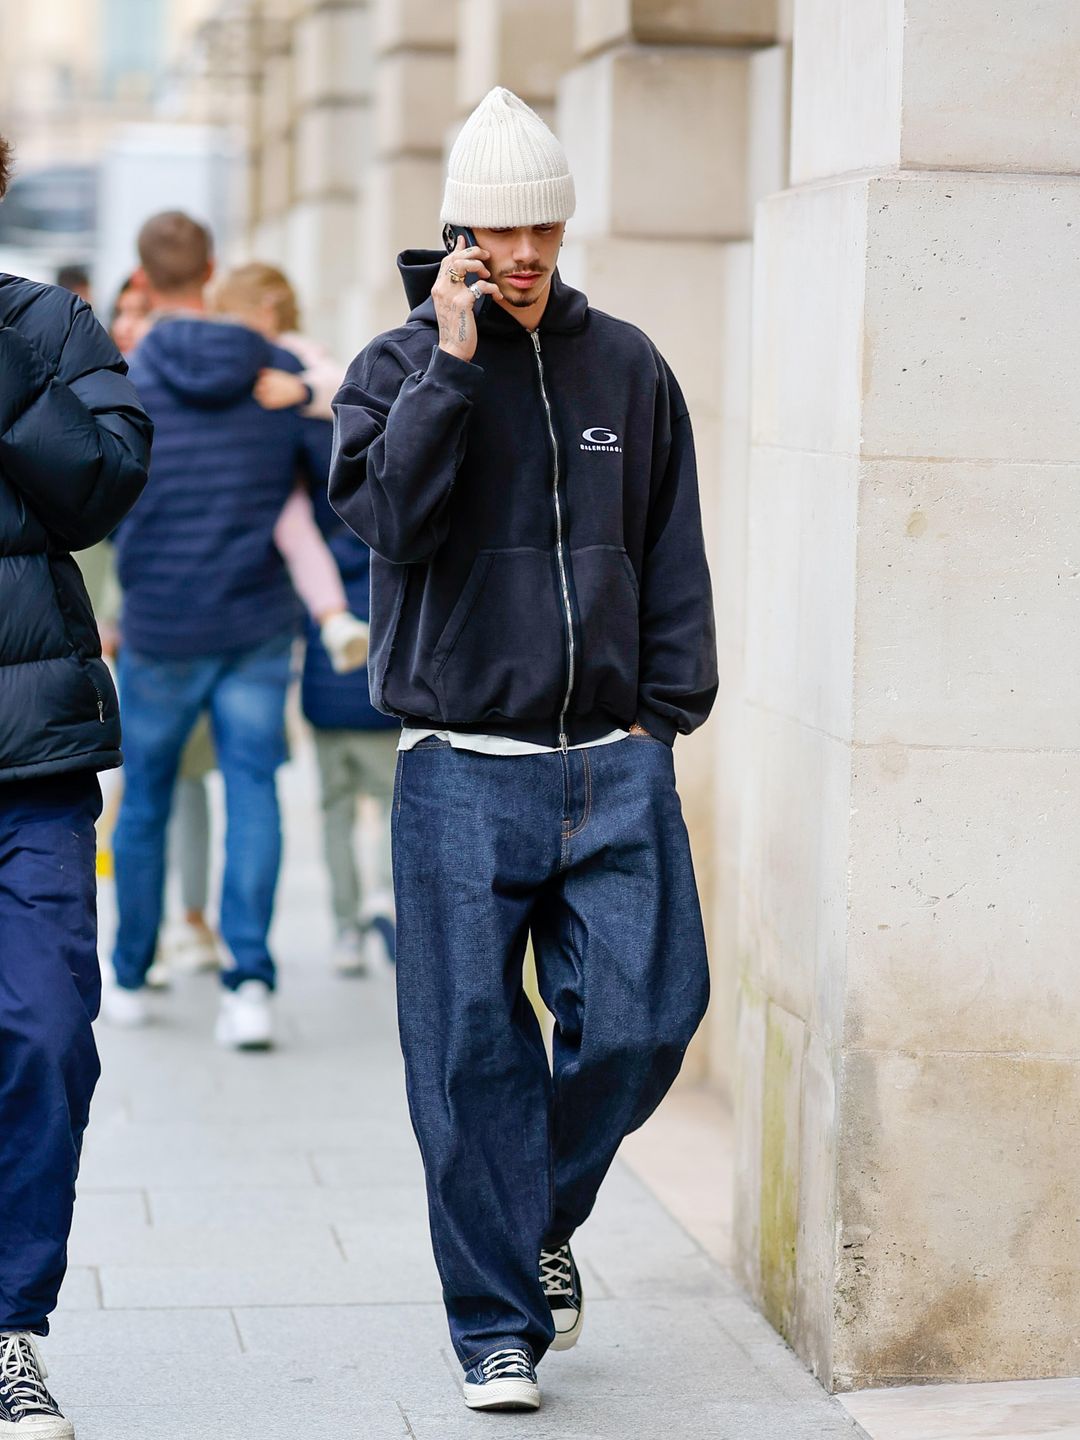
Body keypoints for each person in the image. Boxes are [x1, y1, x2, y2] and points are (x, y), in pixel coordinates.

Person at [329, 87, 717, 1412]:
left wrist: (665, 714)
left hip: (610, 760)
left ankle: (530, 1219)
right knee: (464, 1053)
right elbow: (388, 523)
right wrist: (451, 362)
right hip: (455, 763)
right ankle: (497, 1325)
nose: (526, 253)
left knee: (649, 1017)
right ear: (458, 234)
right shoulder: (397, 370)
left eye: (543, 224)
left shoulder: (630, 367)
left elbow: (670, 548)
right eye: (499, 229)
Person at [0, 133, 152, 1437]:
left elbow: (104, 486)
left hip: (31, 762)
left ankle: (9, 1328)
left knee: (47, 1036)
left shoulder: (47, 325)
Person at [106, 211, 327, 1050]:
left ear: (143, 275)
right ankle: (249, 988)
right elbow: (321, 475)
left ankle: (128, 973)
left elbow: (102, 491)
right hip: (256, 624)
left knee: (146, 805)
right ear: (211, 270)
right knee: (253, 793)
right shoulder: (271, 370)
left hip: (160, 622)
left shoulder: (121, 374)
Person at [207, 262, 397, 974]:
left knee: (343, 795)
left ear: (262, 311)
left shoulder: (306, 371)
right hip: (348, 602)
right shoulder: (286, 378)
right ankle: (372, 909)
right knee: (364, 791)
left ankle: (361, 916)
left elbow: (359, 395)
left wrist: (301, 391)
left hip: (337, 603)